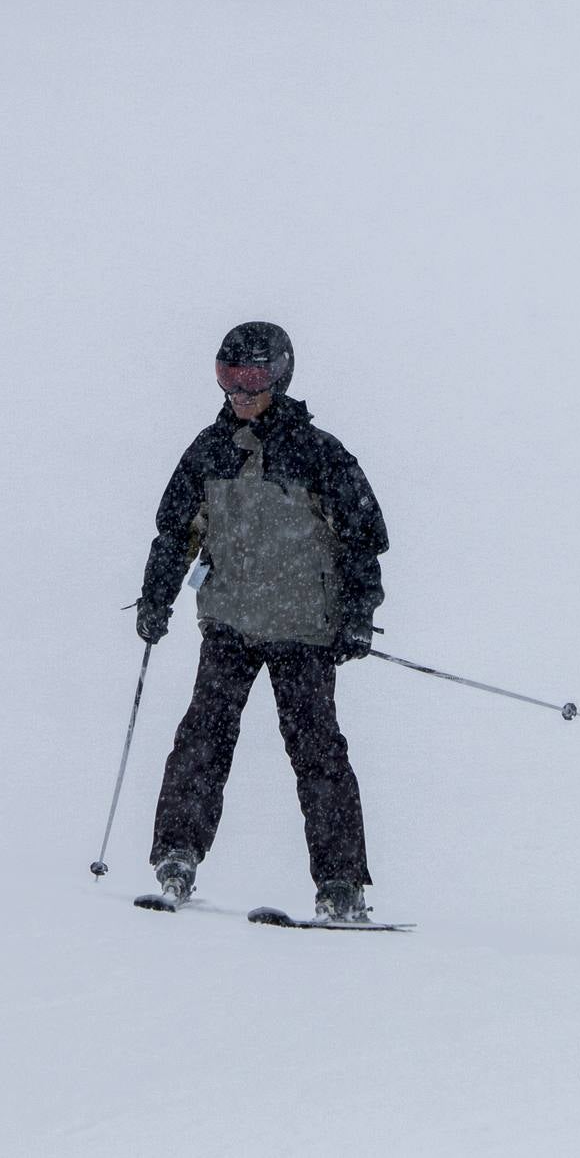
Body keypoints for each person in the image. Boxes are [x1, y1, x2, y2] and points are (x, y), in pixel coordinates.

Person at [134, 321, 389, 923]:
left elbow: (363, 539)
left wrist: (357, 617)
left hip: (304, 629)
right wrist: (155, 599)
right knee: (202, 736)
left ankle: (341, 887)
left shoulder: (319, 453)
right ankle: (177, 858)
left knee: (316, 751)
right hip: (230, 623)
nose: (239, 392)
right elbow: (175, 534)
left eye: (252, 378)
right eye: (228, 377)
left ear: (280, 375)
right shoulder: (208, 449)